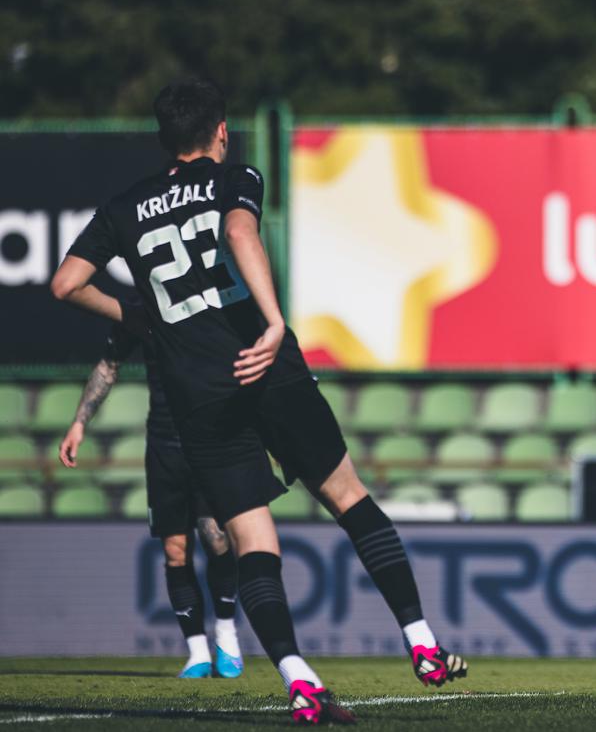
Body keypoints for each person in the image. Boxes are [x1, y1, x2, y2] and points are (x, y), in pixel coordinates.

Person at [51, 78, 466, 724]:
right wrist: (273, 323)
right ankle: (423, 644)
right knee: (350, 499)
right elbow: (242, 234)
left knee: (252, 540)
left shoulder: (126, 206)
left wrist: (138, 316)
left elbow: (64, 283)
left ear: (164, 138)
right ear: (220, 130)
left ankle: (299, 679)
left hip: (197, 390)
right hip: (263, 365)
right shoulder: (232, 176)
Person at [58, 300, 244, 679]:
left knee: (217, 538)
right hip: (163, 443)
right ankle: (197, 653)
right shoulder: (139, 314)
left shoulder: (208, 304)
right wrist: (79, 423)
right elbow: (109, 365)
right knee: (175, 551)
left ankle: (226, 633)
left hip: (210, 439)